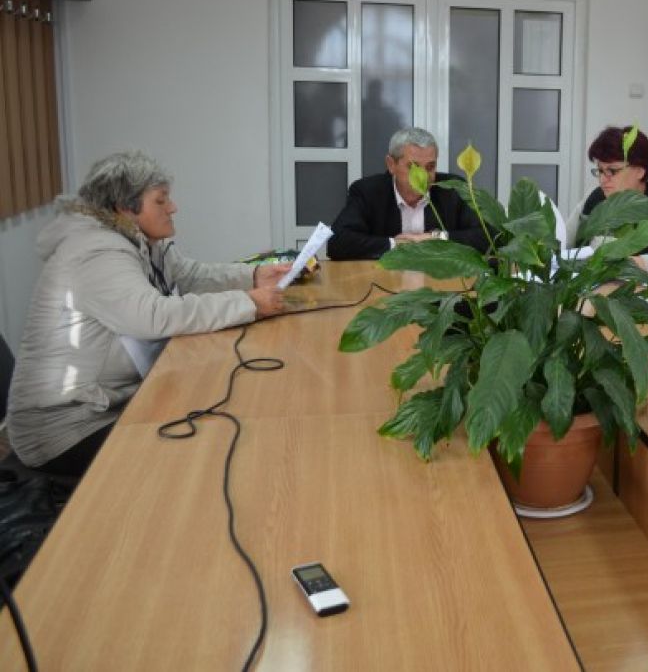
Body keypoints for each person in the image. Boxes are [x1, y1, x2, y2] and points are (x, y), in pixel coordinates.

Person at [7, 152, 290, 476]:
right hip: (65, 428)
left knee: (217, 422)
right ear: (125, 207)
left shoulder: (142, 240)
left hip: (112, 404)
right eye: (160, 200)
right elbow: (152, 316)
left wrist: (252, 276)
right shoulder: (95, 252)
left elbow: (191, 275)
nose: (173, 208)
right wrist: (248, 303)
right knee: (200, 458)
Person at [327, 127, 488, 259]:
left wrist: (436, 239)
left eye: (430, 167)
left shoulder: (452, 189)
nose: (423, 176)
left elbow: (488, 238)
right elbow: (338, 242)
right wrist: (398, 245)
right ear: (391, 165)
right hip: (385, 283)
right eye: (414, 167)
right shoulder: (368, 191)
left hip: (443, 284)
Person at [563, 126, 648, 277]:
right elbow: (563, 242)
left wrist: (624, 265)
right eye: (600, 170)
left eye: (612, 171)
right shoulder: (593, 197)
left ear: (640, 171)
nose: (602, 179)